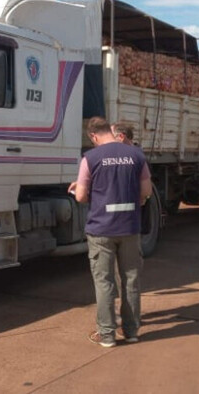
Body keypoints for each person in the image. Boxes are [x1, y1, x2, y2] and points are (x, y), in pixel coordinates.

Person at [68, 117, 152, 347]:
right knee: (131, 280)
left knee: (104, 282)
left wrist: (87, 189)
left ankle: (107, 335)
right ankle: (132, 331)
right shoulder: (136, 155)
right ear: (110, 131)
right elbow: (146, 190)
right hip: (129, 228)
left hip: (101, 229)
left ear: (94, 136)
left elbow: (81, 196)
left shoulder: (91, 158)